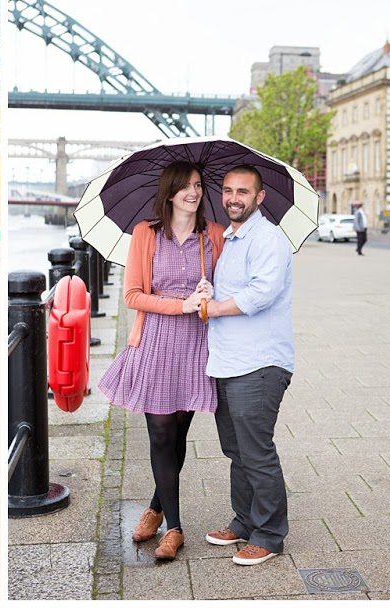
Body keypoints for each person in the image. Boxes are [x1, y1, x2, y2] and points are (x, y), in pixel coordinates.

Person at [97, 164, 226, 564]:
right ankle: (175, 528)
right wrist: (180, 304)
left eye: (198, 185)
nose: (193, 192)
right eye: (184, 186)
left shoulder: (215, 236)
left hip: (196, 345)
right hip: (155, 341)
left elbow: (231, 289)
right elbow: (133, 295)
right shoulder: (145, 234)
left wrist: (211, 292)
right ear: (169, 192)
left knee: (177, 434)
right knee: (159, 432)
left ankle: (154, 508)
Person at [195, 164, 295, 567]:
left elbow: (261, 293)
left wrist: (215, 306)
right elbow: (236, 289)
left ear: (259, 197)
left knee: (256, 452)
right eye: (229, 191)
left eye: (243, 192)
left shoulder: (267, 238)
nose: (234, 198)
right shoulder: (233, 239)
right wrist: (210, 290)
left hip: (260, 363)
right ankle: (244, 521)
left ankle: (270, 535)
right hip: (228, 361)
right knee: (236, 450)